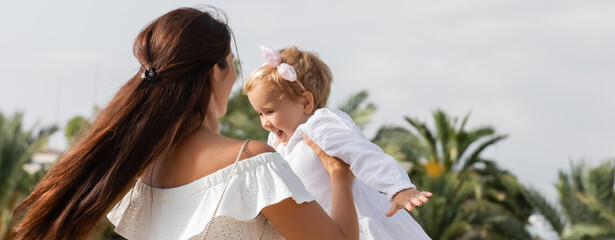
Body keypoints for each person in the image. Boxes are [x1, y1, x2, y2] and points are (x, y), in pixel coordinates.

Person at [13, 7, 358, 240]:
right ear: (214, 72)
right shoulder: (249, 163)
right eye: (230, 62)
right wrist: (340, 174)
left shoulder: (140, 174)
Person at [243, 45, 432, 239]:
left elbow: (363, 153)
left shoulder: (320, 125)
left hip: (359, 227)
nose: (264, 122)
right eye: (259, 113)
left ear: (306, 102)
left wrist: (398, 187)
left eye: (269, 112)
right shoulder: (277, 144)